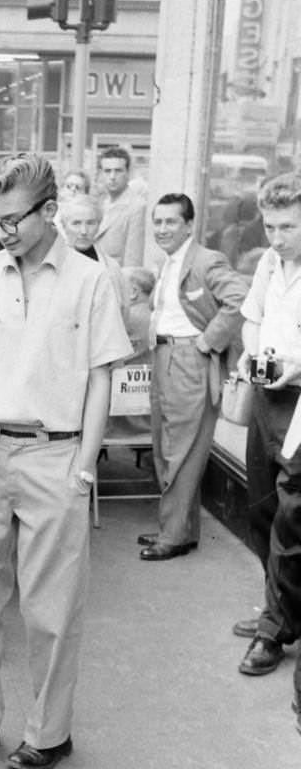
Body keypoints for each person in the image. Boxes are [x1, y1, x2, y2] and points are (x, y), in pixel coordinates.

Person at [0, 153, 131, 769]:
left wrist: (85, 466)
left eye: (11, 220)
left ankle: (50, 732)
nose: (1, 232)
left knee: (51, 611)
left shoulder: (89, 279)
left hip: (57, 457)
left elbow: (102, 378)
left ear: (49, 210)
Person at [138, 193, 246, 561]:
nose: (163, 228)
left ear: (189, 225)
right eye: (158, 221)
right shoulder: (169, 261)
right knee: (168, 445)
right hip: (166, 355)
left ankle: (172, 536)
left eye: (171, 222)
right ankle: (179, 529)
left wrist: (208, 341)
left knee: (181, 449)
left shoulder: (206, 259)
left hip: (188, 358)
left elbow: (239, 299)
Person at [235, 174, 301, 681]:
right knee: (260, 503)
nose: (277, 237)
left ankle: (274, 630)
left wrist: (292, 367)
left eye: (288, 227)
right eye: (271, 225)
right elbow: (252, 317)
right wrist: (253, 354)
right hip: (265, 396)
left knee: (292, 516)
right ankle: (278, 606)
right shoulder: (267, 263)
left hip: (300, 402)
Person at [57, 193, 129, 324]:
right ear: (64, 226)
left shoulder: (112, 268)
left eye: (90, 223)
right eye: (76, 223)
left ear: (99, 225)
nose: (84, 231)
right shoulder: (54, 266)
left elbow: (122, 314)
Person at [94, 145, 147, 268]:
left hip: (115, 281)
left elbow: (133, 259)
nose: (112, 177)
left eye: (118, 171)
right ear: (101, 173)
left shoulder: (137, 207)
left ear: (128, 173)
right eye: (107, 171)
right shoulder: (100, 203)